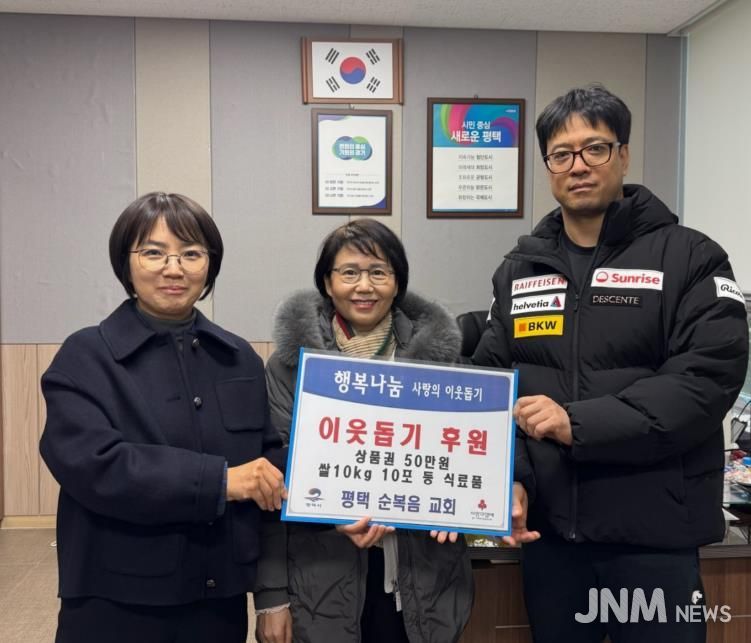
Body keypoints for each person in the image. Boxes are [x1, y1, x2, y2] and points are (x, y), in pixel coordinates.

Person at [472, 85, 749, 643]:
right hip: (552, 542)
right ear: (548, 166)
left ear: (623, 154)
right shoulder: (521, 270)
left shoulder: (690, 257)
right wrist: (514, 479)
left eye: (594, 148)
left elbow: (706, 379)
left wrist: (577, 423)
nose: (578, 166)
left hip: (652, 539)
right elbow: (492, 384)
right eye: (561, 153)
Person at [39, 192, 287, 643]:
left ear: (210, 264)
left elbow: (270, 471)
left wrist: (332, 506)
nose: (174, 269)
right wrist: (220, 481)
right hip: (114, 601)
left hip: (218, 601)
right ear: (126, 262)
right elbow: (95, 466)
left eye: (191, 254)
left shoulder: (238, 358)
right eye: (154, 253)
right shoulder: (86, 356)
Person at [254, 219, 474, 643]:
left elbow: (464, 455)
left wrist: (458, 507)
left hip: (423, 578)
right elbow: (273, 479)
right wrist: (272, 596)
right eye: (349, 272)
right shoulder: (289, 368)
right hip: (323, 575)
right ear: (327, 282)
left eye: (378, 272)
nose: (364, 286)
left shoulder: (441, 362)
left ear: (398, 282)